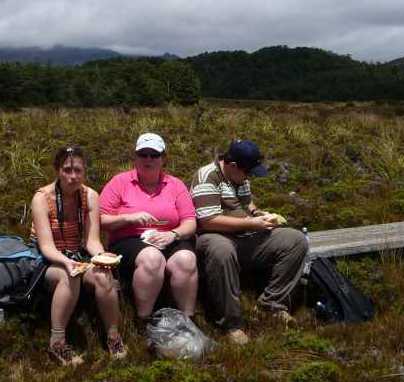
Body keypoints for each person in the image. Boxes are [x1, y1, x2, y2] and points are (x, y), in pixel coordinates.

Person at [190, 140, 308, 345]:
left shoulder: (239, 175)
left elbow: (245, 201)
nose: (249, 177)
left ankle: (272, 305)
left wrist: (256, 212)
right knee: (222, 251)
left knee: (296, 241)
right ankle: (232, 323)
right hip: (214, 236)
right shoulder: (206, 177)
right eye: (248, 173)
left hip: (245, 234)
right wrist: (251, 223)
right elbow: (208, 222)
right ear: (232, 165)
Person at [30, 146, 127, 365]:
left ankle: (113, 336)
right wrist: (66, 262)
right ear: (57, 170)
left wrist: (103, 257)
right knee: (69, 275)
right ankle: (57, 342)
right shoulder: (42, 199)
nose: (73, 176)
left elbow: (91, 240)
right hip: (47, 259)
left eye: (78, 170)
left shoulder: (91, 196)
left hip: (76, 254)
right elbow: (46, 246)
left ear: (84, 171)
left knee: (103, 276)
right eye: (67, 170)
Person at [100, 133, 198, 326]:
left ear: (163, 158)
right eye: (143, 154)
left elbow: (190, 222)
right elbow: (101, 220)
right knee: (152, 258)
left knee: (186, 260)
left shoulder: (175, 185)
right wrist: (128, 218)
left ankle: (189, 321)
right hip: (129, 239)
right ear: (135, 156)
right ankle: (143, 320)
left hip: (169, 238)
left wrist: (173, 234)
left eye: (154, 154)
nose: (148, 159)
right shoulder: (119, 182)